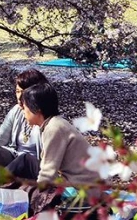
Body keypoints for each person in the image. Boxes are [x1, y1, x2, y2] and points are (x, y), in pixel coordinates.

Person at [19, 83, 99, 215]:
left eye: (25, 108)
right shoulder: (54, 123)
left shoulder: (54, 128)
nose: (23, 112)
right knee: (25, 161)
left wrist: (32, 190)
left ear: (37, 109)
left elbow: (47, 174)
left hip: (81, 189)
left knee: (27, 184)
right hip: (77, 181)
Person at [0, 69, 47, 180]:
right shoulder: (16, 111)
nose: (19, 97)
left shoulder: (45, 116)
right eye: (17, 91)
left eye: (24, 92)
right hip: (15, 159)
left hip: (35, 166)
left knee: (24, 160)